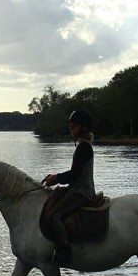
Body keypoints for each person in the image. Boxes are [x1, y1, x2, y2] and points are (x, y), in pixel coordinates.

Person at [42, 109, 96, 265]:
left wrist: (56, 178)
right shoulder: (82, 146)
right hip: (76, 188)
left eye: (74, 125)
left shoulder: (83, 147)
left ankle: (65, 252)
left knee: (54, 216)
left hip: (82, 192)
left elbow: (74, 173)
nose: (71, 128)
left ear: (83, 127)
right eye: (71, 125)